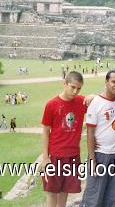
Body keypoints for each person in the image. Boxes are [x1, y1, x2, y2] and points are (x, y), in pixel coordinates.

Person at [41, 71, 87, 207]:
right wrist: (45, 157)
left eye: (79, 88)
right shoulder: (52, 104)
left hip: (73, 155)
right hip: (55, 154)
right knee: (52, 191)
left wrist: (90, 96)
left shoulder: (81, 101)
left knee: (65, 191)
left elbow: (99, 102)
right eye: (72, 87)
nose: (75, 91)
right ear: (65, 84)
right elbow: (45, 131)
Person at [81, 70, 115, 207]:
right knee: (94, 195)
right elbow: (90, 133)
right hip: (100, 155)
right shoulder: (96, 103)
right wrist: (92, 160)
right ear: (106, 82)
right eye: (114, 81)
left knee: (112, 195)